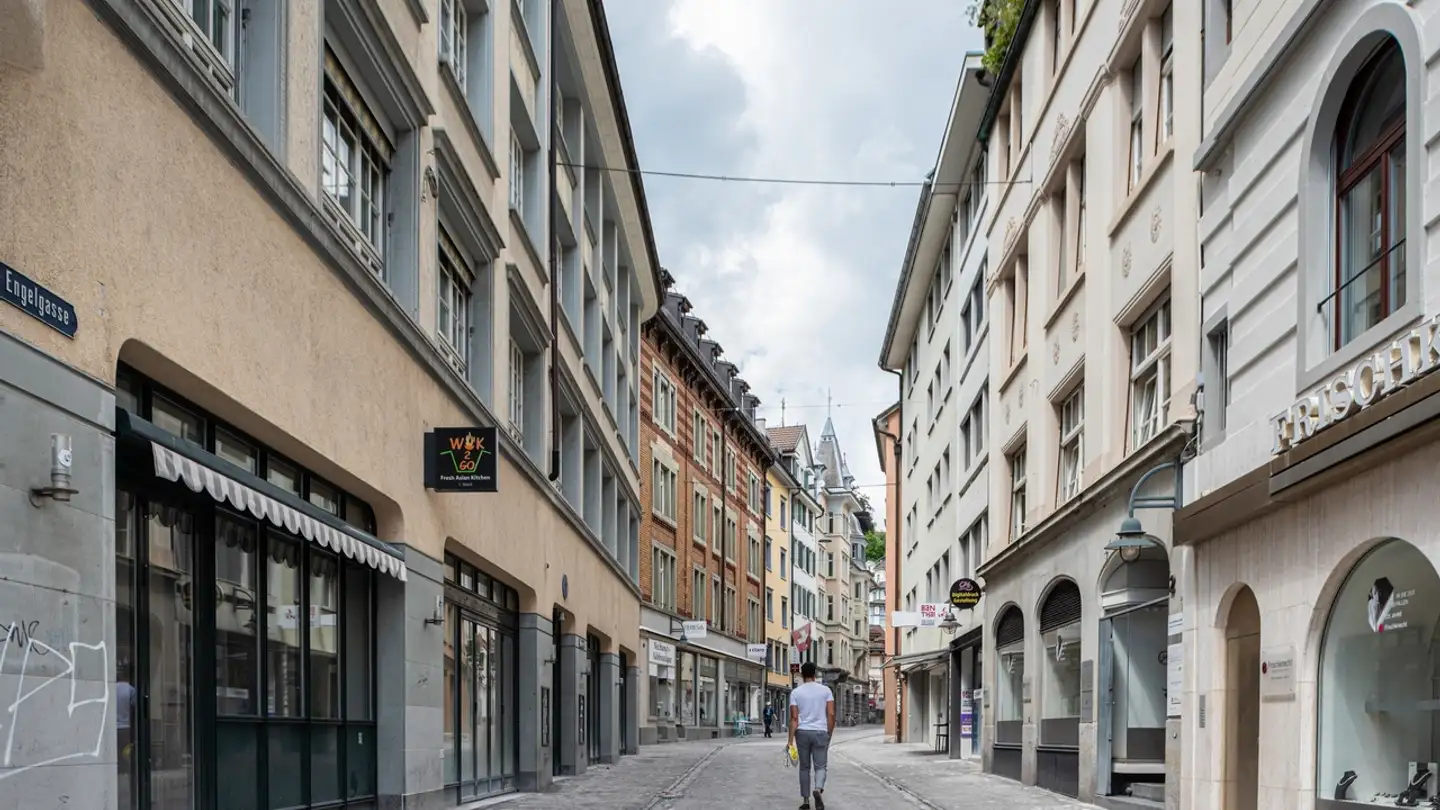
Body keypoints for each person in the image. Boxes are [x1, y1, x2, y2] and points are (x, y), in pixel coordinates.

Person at [787, 662, 835, 810]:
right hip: (821, 732)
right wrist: (829, 733)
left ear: (802, 674)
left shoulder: (796, 692)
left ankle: (806, 801)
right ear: (815, 674)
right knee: (821, 766)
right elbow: (831, 714)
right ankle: (818, 789)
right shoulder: (826, 691)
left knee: (804, 768)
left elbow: (794, 719)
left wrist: (790, 741)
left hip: (802, 732)